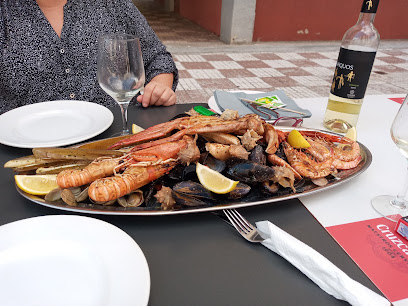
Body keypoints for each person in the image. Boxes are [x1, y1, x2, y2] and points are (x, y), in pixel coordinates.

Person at [0, 0, 178, 114]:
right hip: (24, 152)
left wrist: (159, 88)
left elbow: (157, 57)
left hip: (115, 141)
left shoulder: (112, 4)